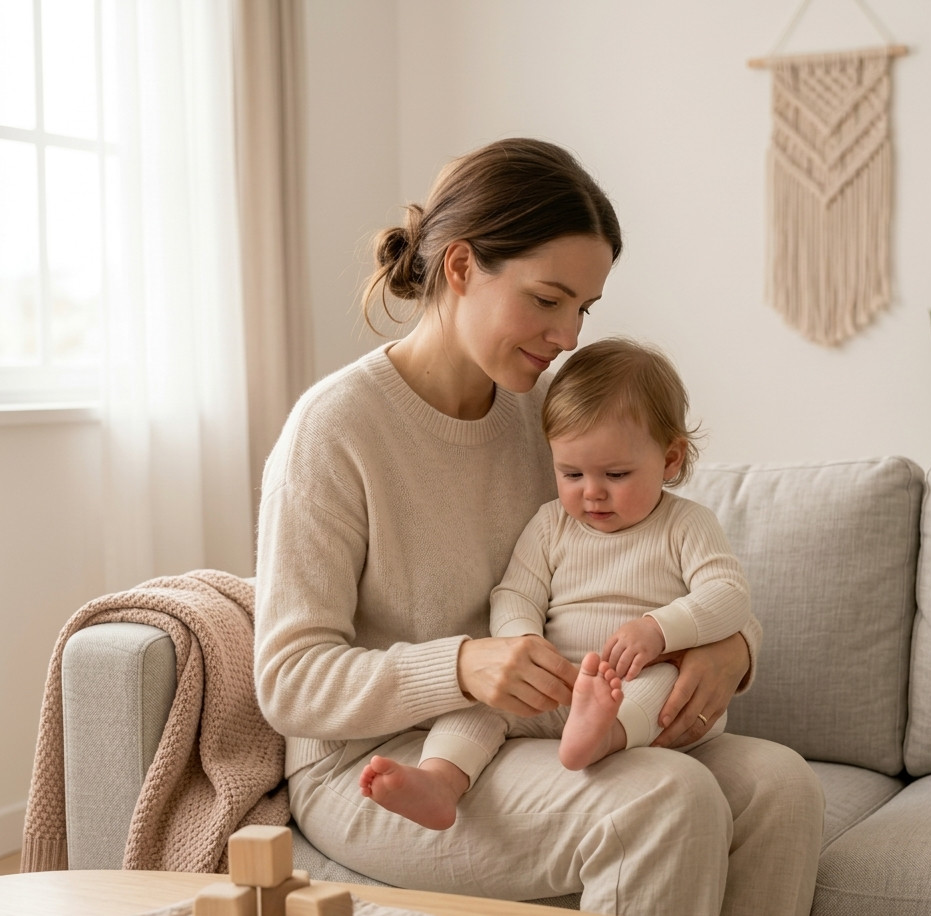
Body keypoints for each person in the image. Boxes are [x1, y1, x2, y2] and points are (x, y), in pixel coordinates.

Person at [254, 137, 824, 916]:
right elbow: (288, 681)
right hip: (386, 763)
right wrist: (461, 667)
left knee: (782, 787)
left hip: (542, 721)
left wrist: (732, 647)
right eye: (548, 300)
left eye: (583, 309)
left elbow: (661, 553)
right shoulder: (335, 430)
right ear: (459, 268)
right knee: (663, 799)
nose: (569, 338)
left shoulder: (549, 413)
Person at [359, 337, 752, 832]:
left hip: (645, 684)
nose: (592, 492)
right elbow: (516, 594)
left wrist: (659, 629)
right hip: (562, 682)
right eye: (570, 473)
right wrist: (523, 641)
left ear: (670, 460)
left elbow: (729, 594)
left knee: (663, 687)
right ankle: (440, 779)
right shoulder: (551, 525)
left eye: (616, 473)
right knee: (486, 703)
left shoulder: (685, 525)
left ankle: (603, 737)